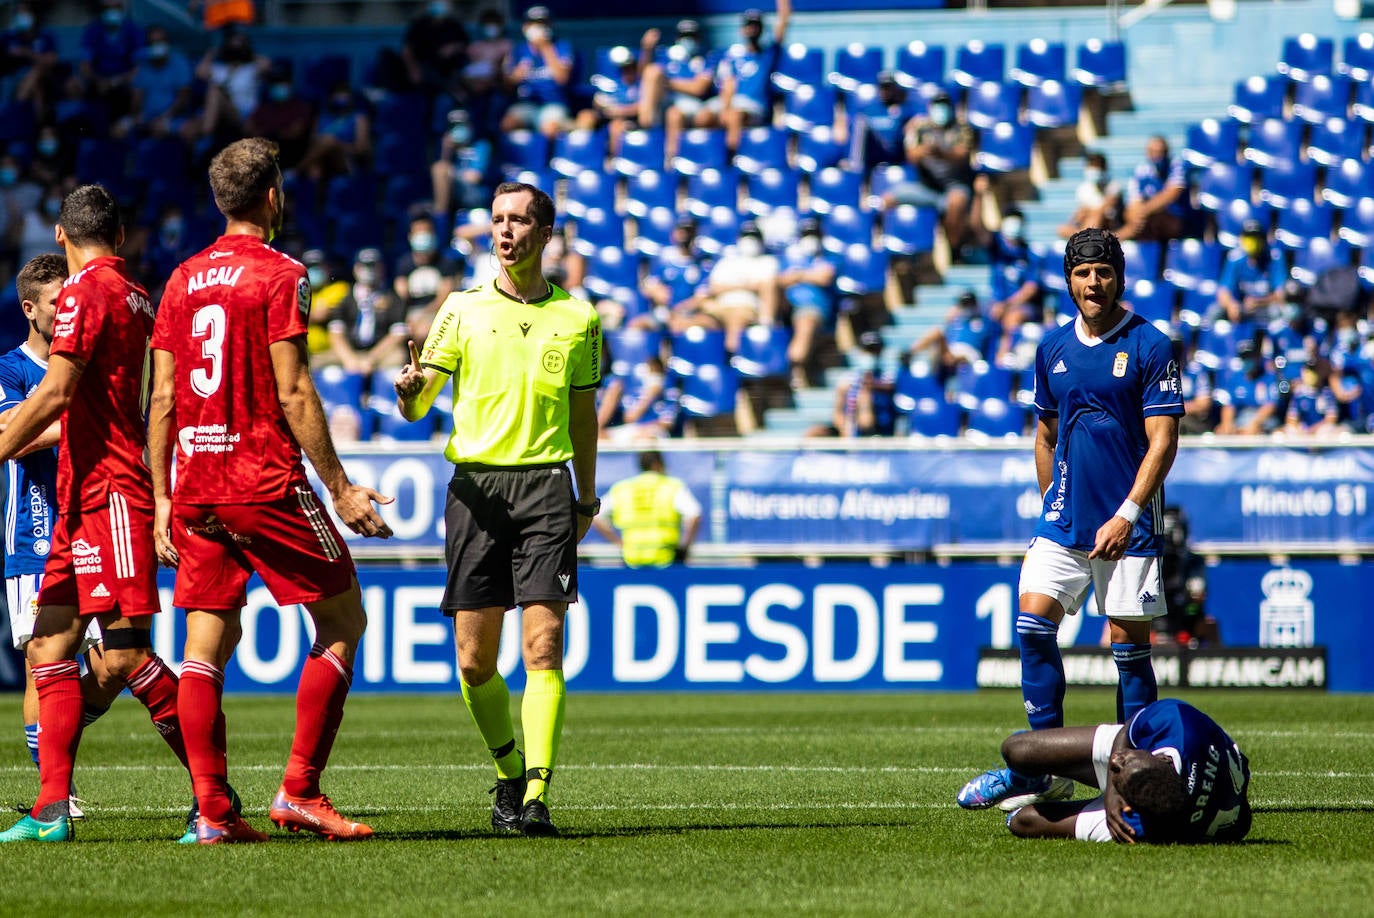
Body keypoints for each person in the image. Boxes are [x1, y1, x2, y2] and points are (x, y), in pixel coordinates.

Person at [147, 137, 393, 844]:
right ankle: (299, 792)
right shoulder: (282, 273)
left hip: (194, 485)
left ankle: (215, 815)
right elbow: (292, 387)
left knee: (204, 646)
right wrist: (340, 487)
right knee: (344, 624)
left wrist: (163, 500)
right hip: (263, 480)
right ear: (273, 196)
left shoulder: (181, 278)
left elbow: (162, 397)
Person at [393, 181, 601, 837]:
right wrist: (406, 393)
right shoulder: (460, 309)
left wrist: (585, 495)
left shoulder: (579, 318)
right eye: (497, 219)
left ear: (544, 234)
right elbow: (420, 402)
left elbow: (584, 413)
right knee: (474, 661)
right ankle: (509, 769)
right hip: (476, 491)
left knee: (544, 644)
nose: (505, 230)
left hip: (545, 486)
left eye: (518, 221)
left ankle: (537, 793)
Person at [959, 228, 1184, 813]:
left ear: (1120, 278)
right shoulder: (1052, 349)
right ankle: (1043, 772)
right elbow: (1045, 432)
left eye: (1104, 272)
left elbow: (1163, 442)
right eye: (1083, 274)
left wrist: (1127, 513)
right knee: (1033, 626)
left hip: (1127, 524)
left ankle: (1132, 780)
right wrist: (1050, 501)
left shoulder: (1150, 345)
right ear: (1068, 280)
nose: (1094, 283)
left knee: (1128, 647)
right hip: (1064, 520)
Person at [0, 185, 192, 843]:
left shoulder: (86, 291)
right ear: (119, 232)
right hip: (85, 495)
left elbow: (56, 390)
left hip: (108, 491)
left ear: (61, 236)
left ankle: (213, 799)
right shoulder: (139, 294)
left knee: (127, 656)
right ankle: (52, 810)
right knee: (51, 646)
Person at [958, 699, 1251, 845]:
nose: (1116, 762)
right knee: (1016, 750)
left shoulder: (1148, 824)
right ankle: (1032, 778)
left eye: (1118, 771)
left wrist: (1119, 799)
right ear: (1162, 759)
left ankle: (1056, 792)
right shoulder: (1180, 725)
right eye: (1125, 762)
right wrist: (1113, 790)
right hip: (1148, 759)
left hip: (1139, 804)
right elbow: (1130, 728)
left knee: (1021, 822)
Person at [699, 1, 791, 153]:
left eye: (756, 26)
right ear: (742, 30)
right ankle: (706, 156)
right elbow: (728, 84)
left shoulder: (768, 54)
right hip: (731, 103)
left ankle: (731, 158)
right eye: (749, 26)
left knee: (735, 116)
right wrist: (724, 108)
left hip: (754, 107)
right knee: (703, 117)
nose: (752, 29)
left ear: (762, 29)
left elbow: (783, 21)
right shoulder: (733, 56)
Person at [592, 451, 702, 567]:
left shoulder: (623, 488)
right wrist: (684, 548)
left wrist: (618, 543)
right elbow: (694, 514)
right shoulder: (672, 486)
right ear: (658, 464)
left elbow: (596, 515)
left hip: (632, 558)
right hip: (666, 558)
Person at [327, 247, 409, 375]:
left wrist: (372, 358)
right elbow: (336, 333)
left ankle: (383, 394)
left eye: (373, 266)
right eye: (364, 266)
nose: (369, 271)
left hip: (380, 353)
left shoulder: (392, 297)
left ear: (382, 268)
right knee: (316, 361)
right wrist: (350, 360)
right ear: (355, 268)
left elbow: (398, 335)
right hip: (350, 351)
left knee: (398, 358)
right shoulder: (345, 297)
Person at [500, 6, 576, 141]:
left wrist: (545, 47)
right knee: (507, 124)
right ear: (525, 27)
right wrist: (514, 77)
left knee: (548, 128)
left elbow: (562, 78)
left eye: (543, 24)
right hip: (527, 103)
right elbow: (508, 86)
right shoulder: (519, 50)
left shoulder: (561, 46)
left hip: (554, 103)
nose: (539, 28)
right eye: (534, 24)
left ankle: (548, 161)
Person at [1156, 506, 1219, 646]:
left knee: (1209, 624)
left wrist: (1191, 594)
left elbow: (1199, 594)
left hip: (1185, 613)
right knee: (1116, 626)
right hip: (1154, 613)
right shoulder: (1151, 559)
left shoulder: (1192, 560)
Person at [1117, 135, 1189, 243]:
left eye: (1161, 152)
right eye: (1153, 152)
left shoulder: (1176, 165)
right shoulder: (1141, 170)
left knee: (1145, 222)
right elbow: (1133, 203)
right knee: (1138, 222)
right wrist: (1137, 215)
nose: (1157, 155)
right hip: (1146, 220)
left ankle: (1110, 242)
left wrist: (1143, 211)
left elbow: (1171, 194)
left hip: (1175, 218)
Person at [1057, 150, 1122, 238]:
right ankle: (1084, 238)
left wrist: (1089, 211)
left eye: (1096, 167)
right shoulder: (1083, 188)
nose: (1093, 171)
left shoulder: (1113, 186)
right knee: (1062, 229)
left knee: (1096, 216)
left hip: (1108, 224)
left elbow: (1105, 209)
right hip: (1087, 222)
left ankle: (1084, 238)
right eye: (1091, 167)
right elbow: (1080, 212)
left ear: (1103, 169)